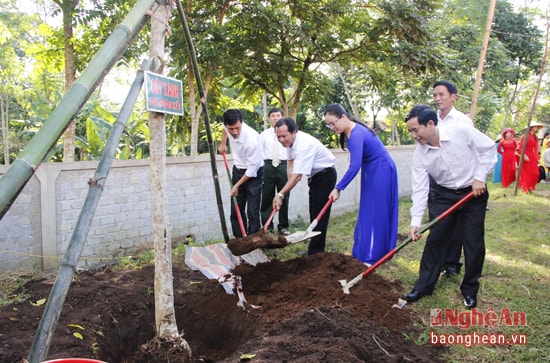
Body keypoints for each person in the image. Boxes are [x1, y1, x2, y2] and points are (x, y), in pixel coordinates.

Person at [402, 105, 496, 309]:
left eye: (415, 129)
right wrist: (415, 221)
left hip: (473, 193)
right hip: (444, 196)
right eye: (410, 131)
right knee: (436, 239)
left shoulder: (460, 131)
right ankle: (423, 287)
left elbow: (489, 148)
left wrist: (480, 177)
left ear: (430, 124)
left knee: (473, 242)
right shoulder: (420, 154)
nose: (413, 135)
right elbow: (420, 189)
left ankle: (470, 290)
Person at [324, 103, 398, 265]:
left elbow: (355, 165)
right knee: (368, 211)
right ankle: (364, 252)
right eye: (328, 125)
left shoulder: (356, 133)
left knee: (377, 212)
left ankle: (374, 256)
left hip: (381, 170)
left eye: (333, 123)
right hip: (371, 171)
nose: (332, 127)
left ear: (343, 117)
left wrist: (338, 188)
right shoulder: (350, 132)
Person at [272, 117, 337, 255]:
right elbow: (290, 163)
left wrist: (281, 193)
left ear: (294, 132)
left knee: (319, 216)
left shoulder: (304, 145)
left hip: (325, 176)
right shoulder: (289, 144)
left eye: (284, 136)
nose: (282, 140)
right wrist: (287, 189)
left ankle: (316, 253)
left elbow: (298, 176)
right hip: (315, 178)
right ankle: (314, 250)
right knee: (314, 214)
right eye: (278, 137)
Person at [432, 80, 473, 278]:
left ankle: (451, 263)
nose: (437, 99)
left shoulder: (462, 121)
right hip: (438, 178)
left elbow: (472, 150)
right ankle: (437, 263)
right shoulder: (433, 120)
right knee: (438, 223)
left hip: (458, 180)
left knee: (456, 224)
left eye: (442, 95)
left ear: (453, 97)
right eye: (435, 95)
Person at [218, 109, 264, 238]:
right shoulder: (227, 127)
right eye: (231, 129)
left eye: (237, 128)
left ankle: (253, 241)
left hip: (254, 174)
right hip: (238, 170)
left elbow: (251, 170)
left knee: (252, 211)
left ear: (242, 124)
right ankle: (240, 241)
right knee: (236, 207)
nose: (235, 132)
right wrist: (223, 144)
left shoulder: (251, 140)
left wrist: (236, 185)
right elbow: (223, 129)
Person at [258, 107, 290, 235]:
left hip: (283, 166)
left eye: (278, 115)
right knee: (266, 197)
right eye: (273, 116)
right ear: (269, 118)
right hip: (268, 167)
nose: (275, 118)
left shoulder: (288, 134)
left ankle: (283, 226)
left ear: (282, 117)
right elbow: (259, 153)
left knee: (284, 196)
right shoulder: (264, 135)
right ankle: (267, 226)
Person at [518, 122, 544, 193]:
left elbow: (535, 149)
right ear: (531, 127)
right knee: (526, 172)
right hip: (525, 155)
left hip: (532, 156)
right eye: (535, 126)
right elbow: (520, 147)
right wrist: (524, 155)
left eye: (537, 127)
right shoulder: (525, 136)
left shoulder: (535, 137)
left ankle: (530, 185)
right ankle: (526, 188)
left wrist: (537, 158)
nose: (536, 128)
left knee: (536, 173)